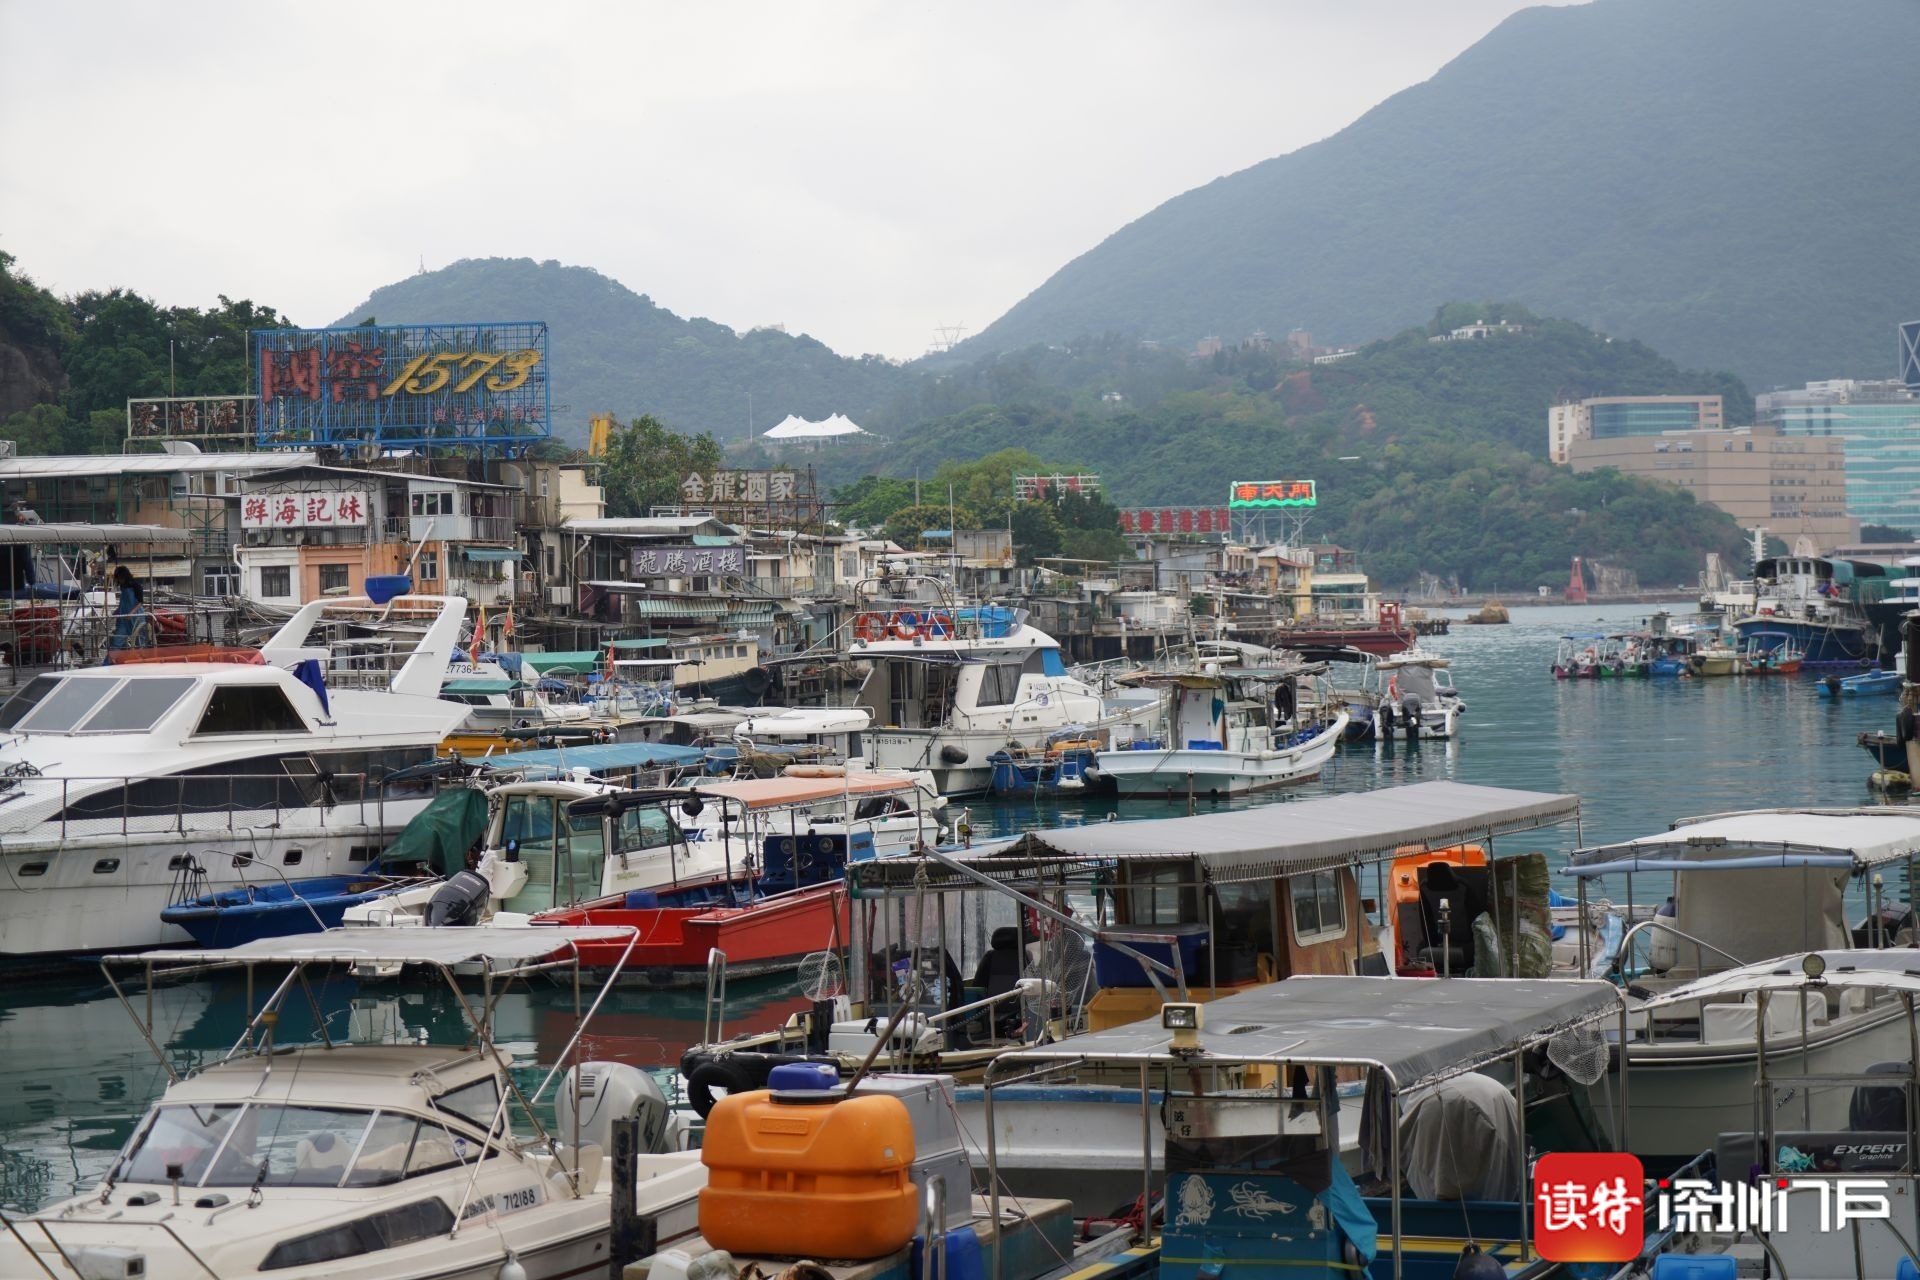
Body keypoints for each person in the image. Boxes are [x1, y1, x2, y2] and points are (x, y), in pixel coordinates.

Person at [109, 565, 149, 651]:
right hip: (124, 618)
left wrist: (132, 612)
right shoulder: (123, 587)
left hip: (136, 618)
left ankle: (140, 660)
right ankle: (114, 661)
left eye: (119, 578)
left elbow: (140, 602)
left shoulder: (136, 585)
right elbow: (123, 602)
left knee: (139, 642)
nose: (119, 580)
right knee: (117, 641)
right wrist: (116, 611)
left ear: (124, 576)